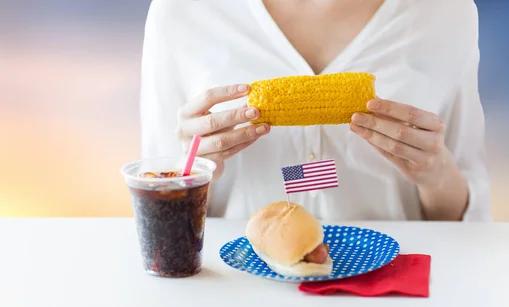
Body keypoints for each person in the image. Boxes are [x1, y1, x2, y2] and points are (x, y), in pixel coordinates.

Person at [139, 0, 491, 221]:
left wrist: (435, 173)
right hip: (240, 285)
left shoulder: (446, 12)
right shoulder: (181, 12)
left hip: (391, 285)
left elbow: (467, 223)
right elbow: (160, 216)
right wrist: (196, 173)